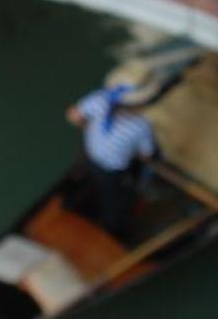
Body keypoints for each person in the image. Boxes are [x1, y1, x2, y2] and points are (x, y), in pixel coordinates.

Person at [65, 63, 163, 239]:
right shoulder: (141, 126)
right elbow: (147, 154)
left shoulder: (99, 99)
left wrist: (90, 128)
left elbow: (74, 115)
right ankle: (112, 230)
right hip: (111, 169)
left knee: (88, 177)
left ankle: (76, 201)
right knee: (112, 201)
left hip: (89, 152)